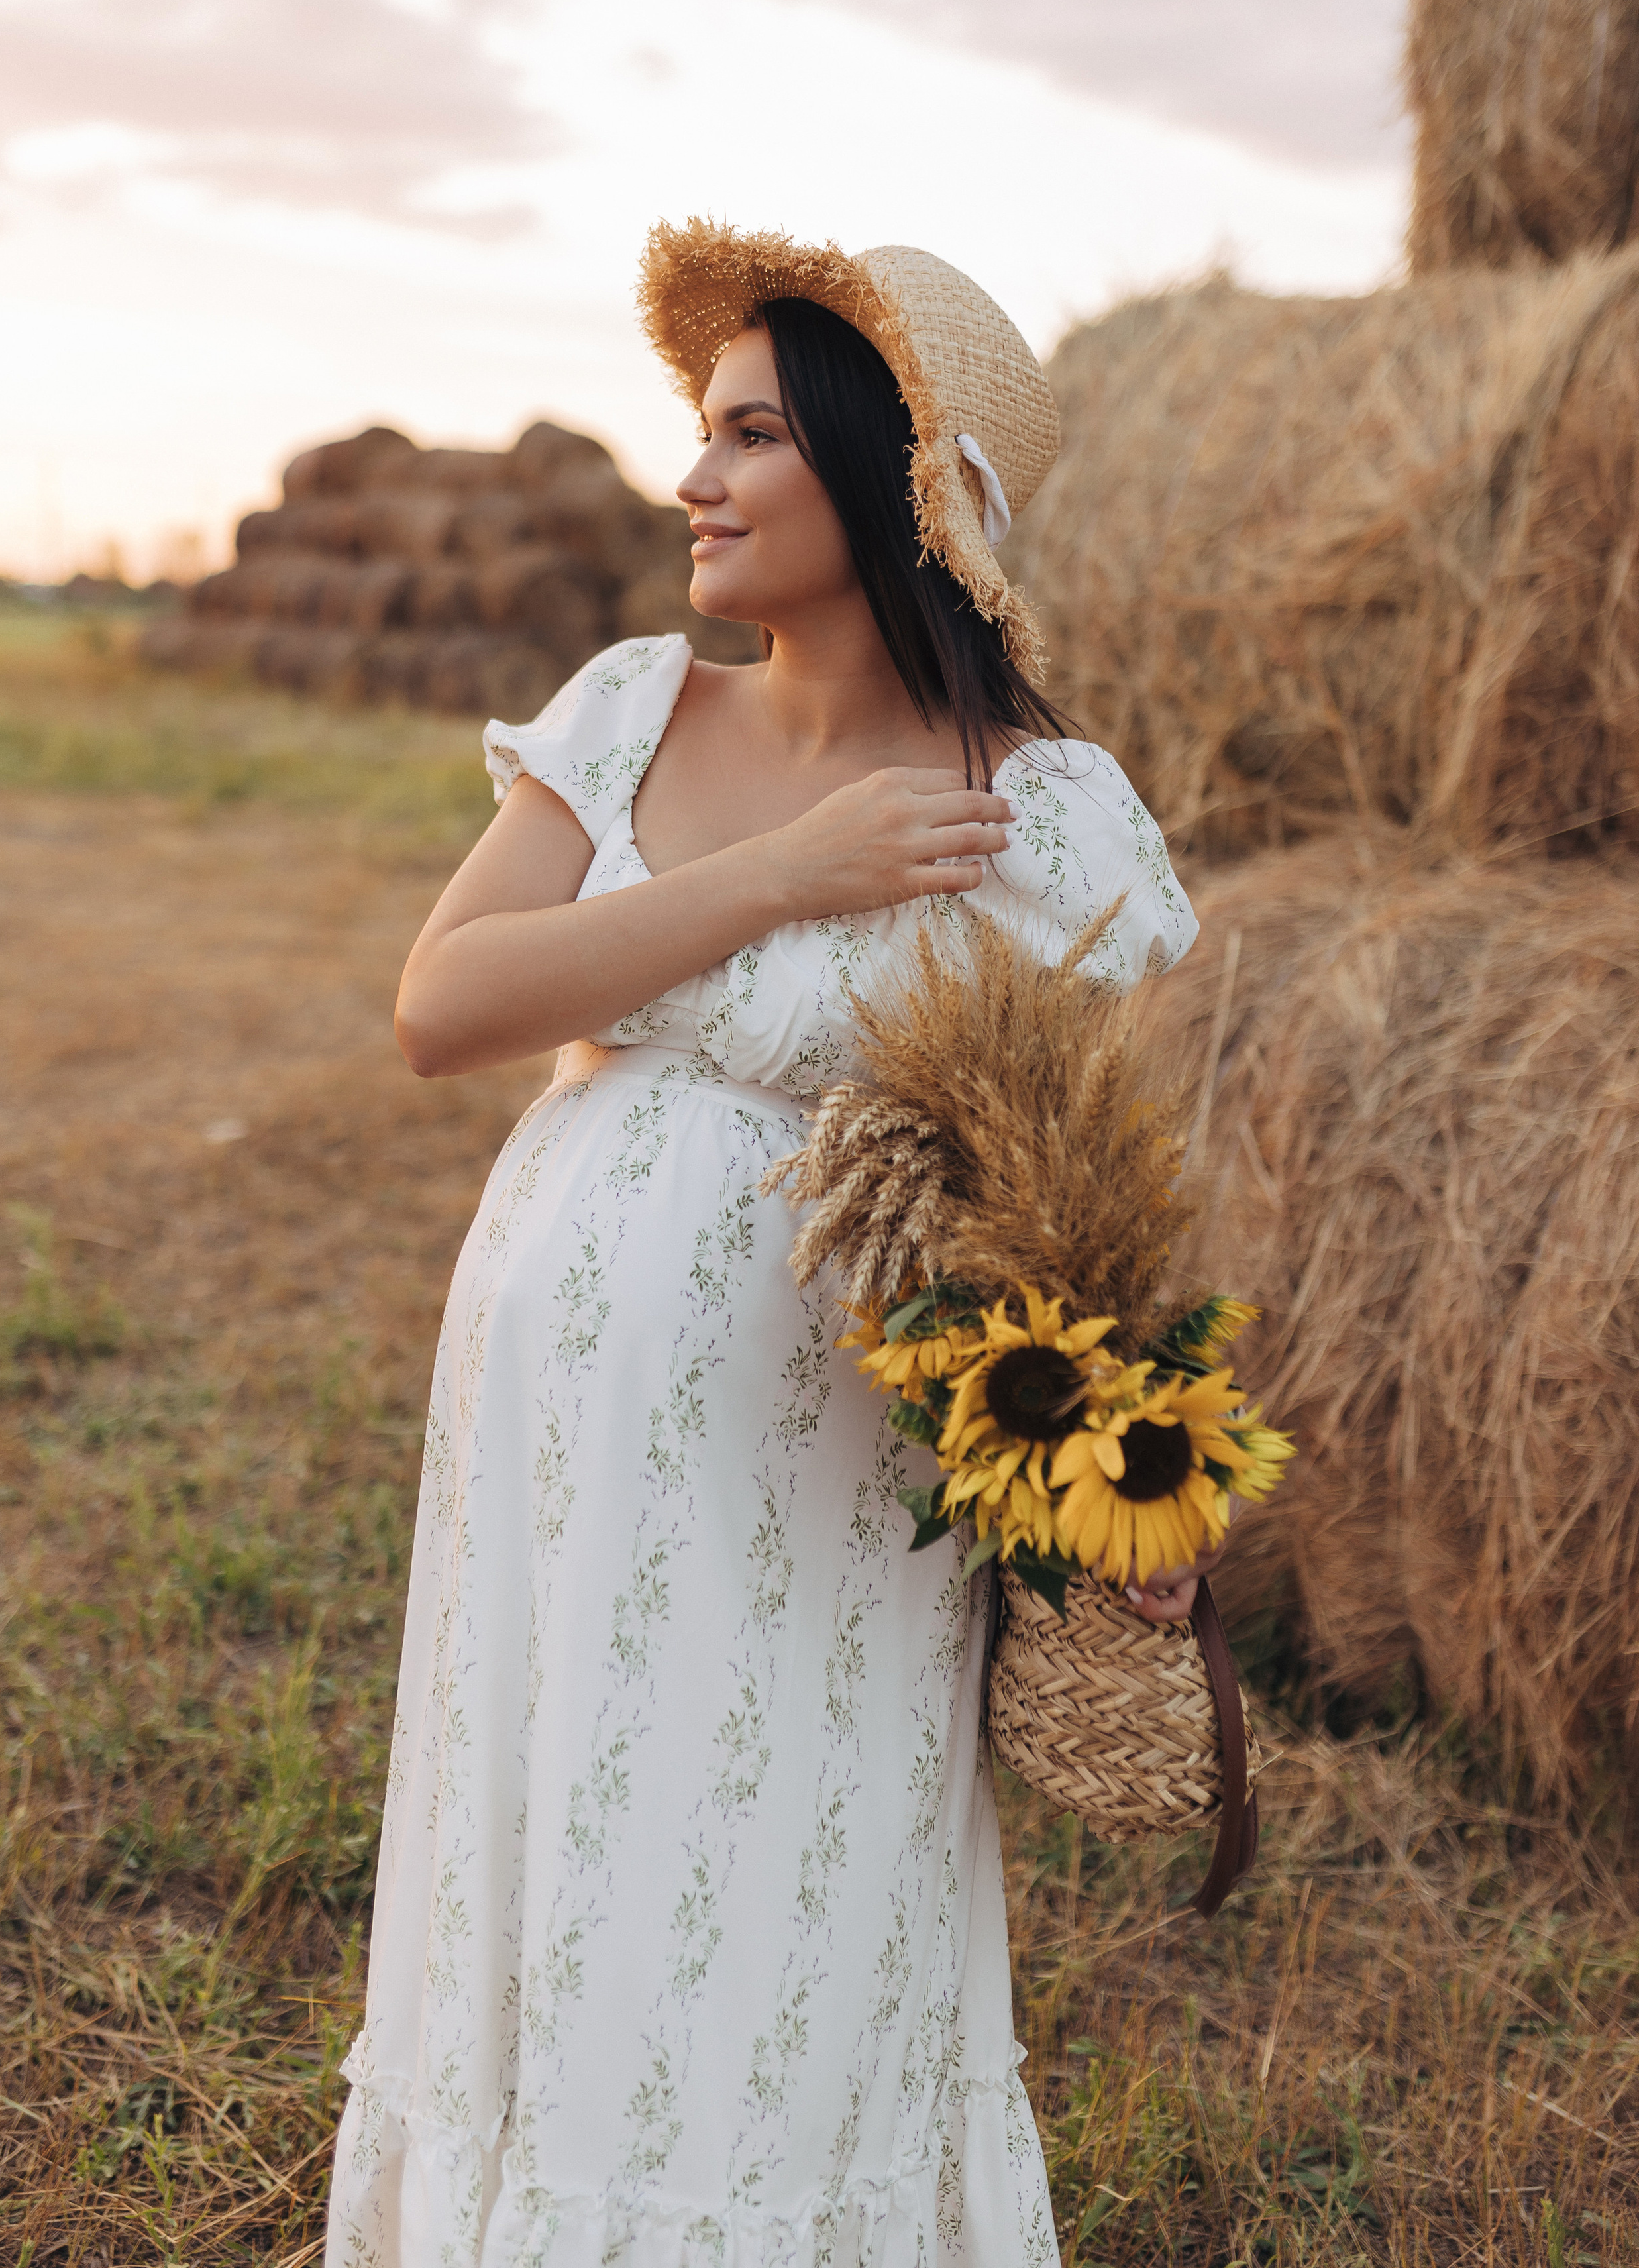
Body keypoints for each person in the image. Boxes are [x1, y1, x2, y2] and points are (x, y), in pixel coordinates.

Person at [325, 222, 1200, 2267]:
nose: (691, 480)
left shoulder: (1040, 810)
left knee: (772, 1857)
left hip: (820, 1450)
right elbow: (444, 1008)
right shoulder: (631, 709)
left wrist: (1137, 1480)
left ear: (891, 482)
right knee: (551, 1818)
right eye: (693, 432)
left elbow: (1082, 1185)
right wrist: (780, 878)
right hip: (554, 1436)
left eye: (746, 437)